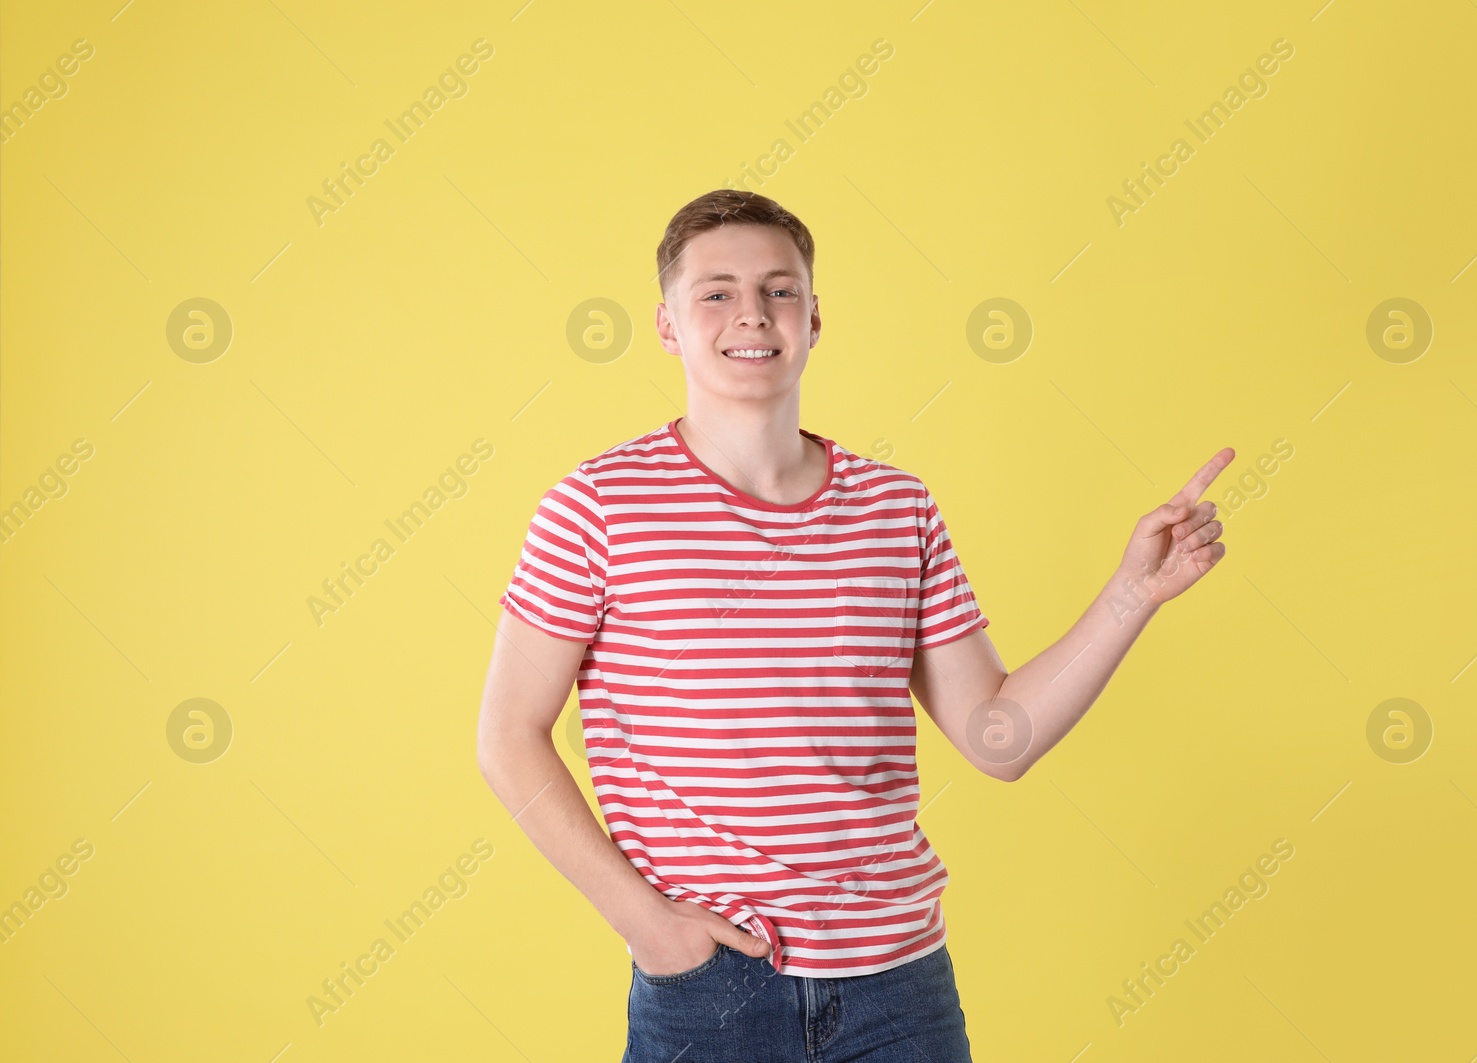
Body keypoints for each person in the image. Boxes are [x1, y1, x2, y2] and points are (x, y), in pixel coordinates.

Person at [476, 188, 1233, 1061]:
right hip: (711, 988)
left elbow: (999, 738)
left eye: (780, 289)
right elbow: (508, 736)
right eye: (716, 292)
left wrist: (1133, 594)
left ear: (814, 317)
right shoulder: (600, 505)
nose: (751, 314)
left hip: (901, 989)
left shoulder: (895, 508)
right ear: (668, 325)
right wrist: (647, 925)